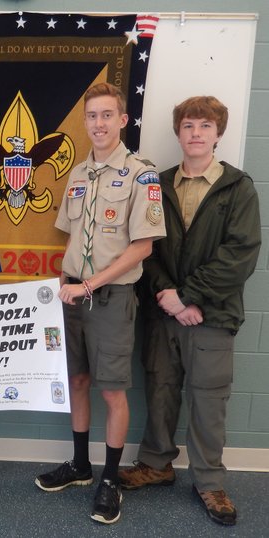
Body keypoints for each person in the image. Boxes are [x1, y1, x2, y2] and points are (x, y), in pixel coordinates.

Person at [118, 96, 261, 526]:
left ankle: (209, 481)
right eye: (188, 126)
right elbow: (147, 246)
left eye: (204, 126)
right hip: (164, 313)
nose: (195, 133)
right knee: (160, 387)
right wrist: (167, 294)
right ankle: (156, 464)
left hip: (212, 316)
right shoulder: (157, 184)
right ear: (178, 133)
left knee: (208, 399)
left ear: (218, 133)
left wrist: (190, 297)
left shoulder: (237, 188)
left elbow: (240, 255)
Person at [33, 82, 166, 524]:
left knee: (112, 389)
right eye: (92, 116)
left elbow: (142, 248)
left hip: (109, 298)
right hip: (72, 295)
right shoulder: (77, 174)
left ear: (123, 120)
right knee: (78, 381)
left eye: (108, 115)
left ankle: (110, 477)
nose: (99, 124)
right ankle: (80, 465)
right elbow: (71, 238)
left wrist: (88, 285)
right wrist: (63, 280)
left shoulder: (141, 174)